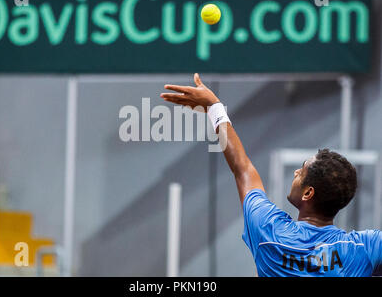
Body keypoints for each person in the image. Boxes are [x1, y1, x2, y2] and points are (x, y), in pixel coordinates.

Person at [160, 73, 382, 277]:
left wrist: (214, 107)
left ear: (308, 193)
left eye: (301, 171)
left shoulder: (270, 232)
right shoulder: (364, 248)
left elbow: (242, 168)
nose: (296, 172)